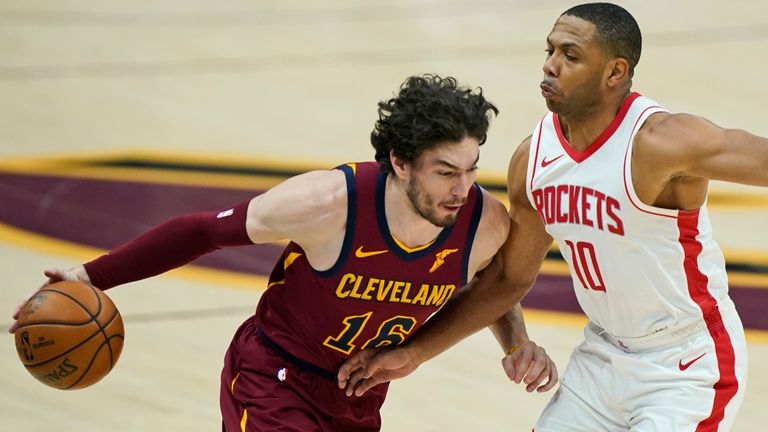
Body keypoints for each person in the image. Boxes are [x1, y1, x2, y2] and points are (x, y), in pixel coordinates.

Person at [9, 74, 556, 431]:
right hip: (273, 376)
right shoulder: (325, 204)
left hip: (357, 398)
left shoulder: (481, 222)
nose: (462, 188)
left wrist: (516, 341)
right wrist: (88, 275)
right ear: (401, 162)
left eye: (469, 168)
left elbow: (494, 284)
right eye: (445, 173)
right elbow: (199, 230)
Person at [338, 3, 768, 430]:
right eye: (550, 51)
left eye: (570, 56)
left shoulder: (663, 143)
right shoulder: (533, 159)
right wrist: (415, 353)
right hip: (600, 358)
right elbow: (508, 279)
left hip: (685, 363)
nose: (550, 66)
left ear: (615, 72)